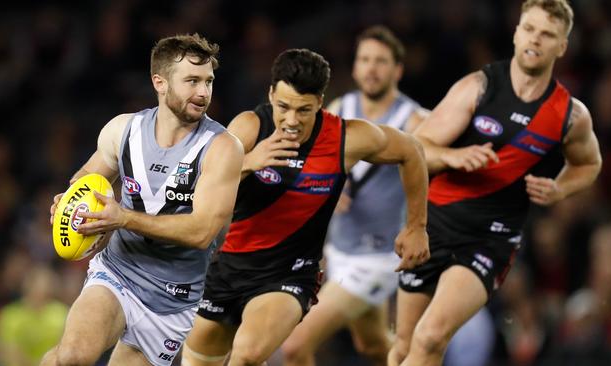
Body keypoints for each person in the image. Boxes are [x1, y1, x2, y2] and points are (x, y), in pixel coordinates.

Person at [182, 48, 429, 366]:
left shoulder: (346, 138)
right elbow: (196, 185)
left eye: (304, 110)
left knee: (247, 355)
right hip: (230, 268)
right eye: (283, 107)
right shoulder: (249, 127)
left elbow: (412, 150)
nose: (292, 120)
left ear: (320, 103)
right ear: (271, 94)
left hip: (290, 274)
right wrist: (246, 164)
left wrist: (416, 226)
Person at [388, 1, 602, 365]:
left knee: (431, 335)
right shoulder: (478, 87)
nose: (535, 39)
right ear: (517, 33)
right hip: (433, 227)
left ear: (561, 47)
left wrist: (560, 188)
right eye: (530, 29)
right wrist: (453, 156)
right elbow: (414, 149)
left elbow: (589, 163)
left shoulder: (570, 115)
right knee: (405, 344)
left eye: (547, 34)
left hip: (490, 240)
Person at [40, 33, 244, 366]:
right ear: (160, 82)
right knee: (73, 356)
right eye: (192, 81)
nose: (203, 92)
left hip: (173, 302)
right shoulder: (123, 130)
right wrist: (69, 205)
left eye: (208, 81)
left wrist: (123, 218)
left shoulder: (222, 148)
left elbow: (202, 232)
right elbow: (87, 181)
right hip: (118, 273)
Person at [281, 26, 428, 366]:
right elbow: (311, 162)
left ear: (397, 70)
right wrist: (334, 181)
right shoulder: (340, 107)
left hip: (377, 257)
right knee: (374, 347)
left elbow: (433, 164)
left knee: (294, 347)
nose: (371, 68)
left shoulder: (416, 119)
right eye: (364, 59)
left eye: (380, 61)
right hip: (339, 249)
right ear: (355, 66)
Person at [0, 265, 68, 366]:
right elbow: (10, 352)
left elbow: (64, 349)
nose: (43, 294)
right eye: (39, 288)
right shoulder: (10, 316)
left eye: (47, 290)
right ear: (28, 288)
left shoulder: (61, 313)